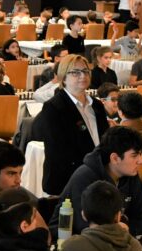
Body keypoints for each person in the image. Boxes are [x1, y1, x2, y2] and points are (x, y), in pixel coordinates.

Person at [32, 54, 110, 195]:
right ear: (63, 77)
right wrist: (87, 171)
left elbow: (104, 141)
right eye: (75, 72)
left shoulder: (97, 105)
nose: (83, 76)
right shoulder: (54, 107)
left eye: (85, 71)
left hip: (97, 177)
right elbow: (57, 151)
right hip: (68, 181)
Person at [50, 126, 142, 237]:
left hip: (112, 241)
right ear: (115, 158)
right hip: (73, 242)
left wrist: (126, 229)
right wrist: (116, 230)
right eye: (134, 156)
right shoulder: (84, 177)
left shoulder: (131, 175)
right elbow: (84, 226)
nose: (141, 161)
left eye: (141, 154)